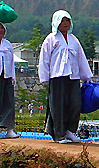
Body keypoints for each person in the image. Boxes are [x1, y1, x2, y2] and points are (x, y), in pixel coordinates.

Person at [38, 10, 94, 143]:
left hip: (73, 76)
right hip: (57, 76)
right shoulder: (51, 39)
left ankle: (70, 130)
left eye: (67, 21)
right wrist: (44, 77)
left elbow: (81, 58)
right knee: (58, 106)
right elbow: (44, 59)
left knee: (75, 104)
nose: (65, 23)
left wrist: (86, 76)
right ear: (56, 22)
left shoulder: (74, 39)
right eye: (62, 21)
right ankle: (59, 134)